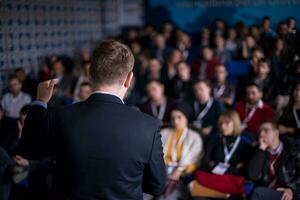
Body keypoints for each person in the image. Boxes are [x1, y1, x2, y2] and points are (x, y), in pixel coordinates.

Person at [18, 40, 166, 199]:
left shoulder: (59, 116)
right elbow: (156, 186)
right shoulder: (149, 126)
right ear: (129, 79)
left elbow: (28, 150)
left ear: (89, 74)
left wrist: (40, 102)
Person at [195, 110, 252, 200]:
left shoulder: (245, 144)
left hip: (231, 185)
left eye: (226, 123)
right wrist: (232, 169)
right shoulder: (213, 140)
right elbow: (204, 165)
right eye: (220, 123)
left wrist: (214, 165)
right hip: (212, 182)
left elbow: (243, 171)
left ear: (235, 123)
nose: (222, 126)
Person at [159, 103, 203, 200]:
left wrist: (178, 171)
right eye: (173, 117)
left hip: (182, 176)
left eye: (179, 117)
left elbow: (194, 161)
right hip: (160, 171)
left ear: (186, 118)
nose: (175, 121)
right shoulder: (163, 133)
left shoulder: (194, 137)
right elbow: (156, 156)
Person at [247, 120, 300, 200]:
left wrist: (291, 189)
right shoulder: (259, 152)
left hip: (289, 193)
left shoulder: (293, 149)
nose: (261, 134)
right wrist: (261, 150)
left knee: (258, 193)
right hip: (270, 191)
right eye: (260, 131)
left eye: (266, 130)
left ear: (276, 133)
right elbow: (252, 176)